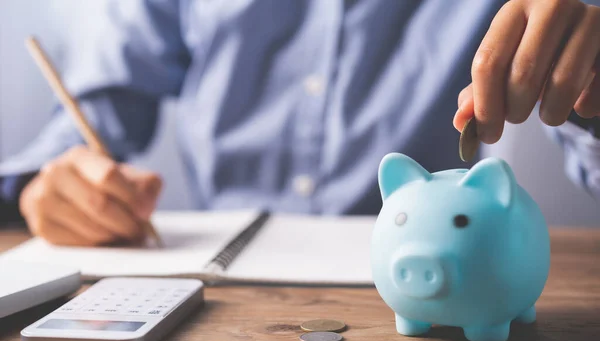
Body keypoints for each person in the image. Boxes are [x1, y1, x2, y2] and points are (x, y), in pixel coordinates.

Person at [0, 0, 599, 246]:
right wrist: (46, 179)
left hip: (433, 262)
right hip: (215, 271)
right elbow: (102, 103)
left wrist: (591, 93)